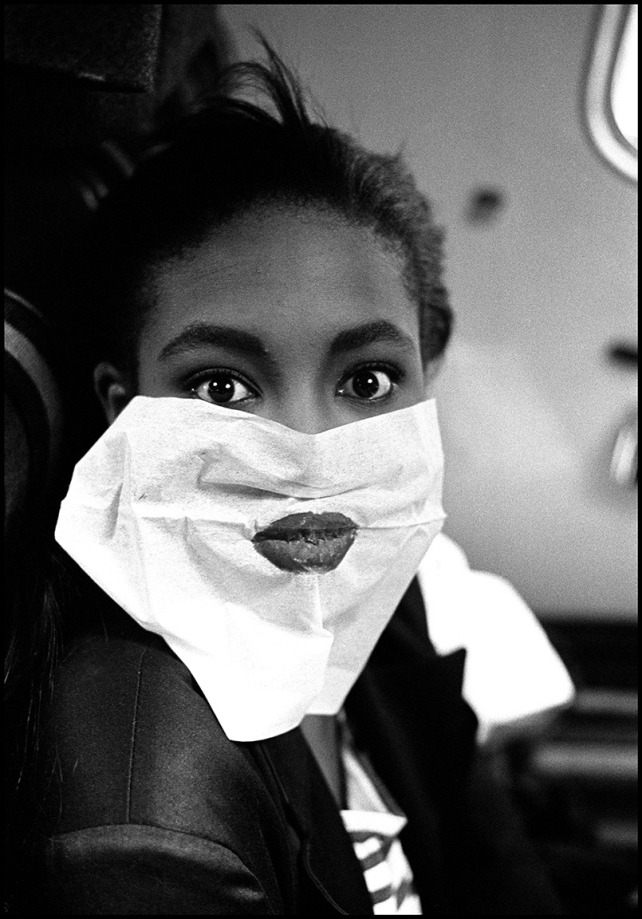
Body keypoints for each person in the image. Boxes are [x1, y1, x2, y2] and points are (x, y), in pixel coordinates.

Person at [19, 44, 565, 915]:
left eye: (366, 381)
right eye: (223, 386)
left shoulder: (376, 588)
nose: (310, 455)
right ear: (125, 411)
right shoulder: (143, 834)